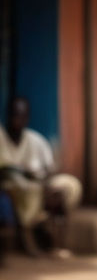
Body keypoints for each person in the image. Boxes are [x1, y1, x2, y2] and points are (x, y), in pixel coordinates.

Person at [0, 96, 82, 255]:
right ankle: (28, 239)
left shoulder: (35, 140)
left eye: (22, 116)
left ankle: (56, 244)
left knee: (64, 188)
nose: (18, 120)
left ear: (27, 118)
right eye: (14, 115)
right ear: (8, 115)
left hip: (37, 186)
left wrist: (42, 180)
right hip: (12, 188)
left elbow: (49, 169)